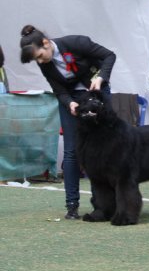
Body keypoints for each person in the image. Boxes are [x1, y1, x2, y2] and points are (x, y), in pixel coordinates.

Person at [19, 25, 116, 220]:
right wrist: (69, 103)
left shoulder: (77, 43)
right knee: (72, 151)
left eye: (40, 56)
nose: (40, 61)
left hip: (95, 94)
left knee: (101, 149)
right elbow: (59, 90)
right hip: (72, 100)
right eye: (36, 59)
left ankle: (102, 205)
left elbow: (109, 56)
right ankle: (72, 205)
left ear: (45, 43)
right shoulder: (44, 63)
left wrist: (101, 78)